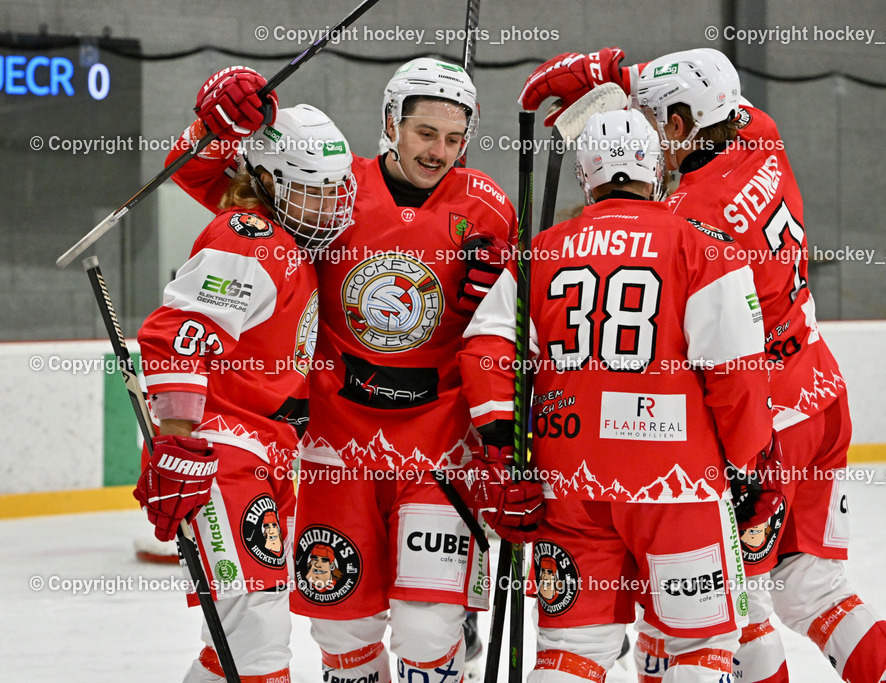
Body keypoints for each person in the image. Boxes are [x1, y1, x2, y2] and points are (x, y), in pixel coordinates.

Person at [519, 48, 886, 683]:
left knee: (735, 602)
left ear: (679, 125)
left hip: (763, 421)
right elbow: (713, 97)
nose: (647, 137)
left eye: (653, 122)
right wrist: (623, 79)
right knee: (812, 584)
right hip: (820, 393)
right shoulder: (761, 137)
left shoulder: (684, 221)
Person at [166, 59, 542, 683]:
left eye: (454, 138)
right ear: (391, 123)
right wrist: (216, 123)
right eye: (425, 133)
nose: (439, 152)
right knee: (343, 628)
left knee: (428, 630)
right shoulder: (333, 185)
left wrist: (508, 280)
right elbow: (208, 179)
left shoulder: (489, 207)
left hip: (441, 449)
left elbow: (511, 332)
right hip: (335, 447)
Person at [459, 108, 783, 683]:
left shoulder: (540, 251)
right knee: (702, 644)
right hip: (677, 483)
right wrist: (749, 464)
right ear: (655, 169)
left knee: (572, 649)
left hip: (569, 481)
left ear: (585, 174)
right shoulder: (704, 247)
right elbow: (735, 373)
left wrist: (504, 453)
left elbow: (487, 351)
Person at [134, 95, 357, 682]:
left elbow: (193, 164)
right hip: (222, 456)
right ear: (267, 181)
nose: (330, 205)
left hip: (265, 455)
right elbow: (177, 334)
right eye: (313, 191)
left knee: (234, 646)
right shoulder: (250, 239)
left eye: (336, 189)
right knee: (256, 642)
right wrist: (177, 441)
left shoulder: (291, 239)